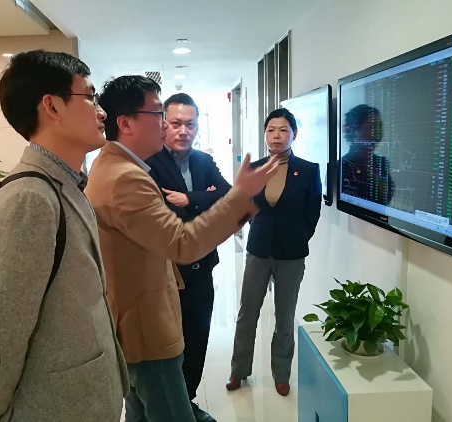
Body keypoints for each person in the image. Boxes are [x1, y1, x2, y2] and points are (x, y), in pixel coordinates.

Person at [85, 75, 279, 422]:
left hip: (139, 316)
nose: (165, 125)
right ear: (125, 123)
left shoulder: (115, 165)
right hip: (146, 325)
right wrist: (240, 197)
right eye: (159, 114)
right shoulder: (125, 177)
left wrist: (204, 198)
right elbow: (182, 243)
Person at [0, 50, 128, 422]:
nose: (102, 112)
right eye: (90, 98)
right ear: (52, 106)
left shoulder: (63, 185)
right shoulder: (30, 198)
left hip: (81, 399)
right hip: (52, 408)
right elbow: (0, 327)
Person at [145, 93, 230, 422]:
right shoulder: (150, 162)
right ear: (163, 124)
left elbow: (228, 195)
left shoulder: (203, 161)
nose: (183, 131)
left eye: (190, 124)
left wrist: (190, 199)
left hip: (203, 267)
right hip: (168, 272)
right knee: (171, 344)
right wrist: (206, 201)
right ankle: (173, 407)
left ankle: (188, 400)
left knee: (198, 339)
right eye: (176, 123)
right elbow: (160, 212)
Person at [226, 108, 322, 397]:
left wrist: (297, 238)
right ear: (265, 134)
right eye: (271, 130)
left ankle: (281, 374)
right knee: (247, 314)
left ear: (294, 134)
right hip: (258, 250)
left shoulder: (308, 170)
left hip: (291, 254)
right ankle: (238, 370)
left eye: (283, 130)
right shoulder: (254, 168)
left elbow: (312, 213)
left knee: (284, 316)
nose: (276, 136)